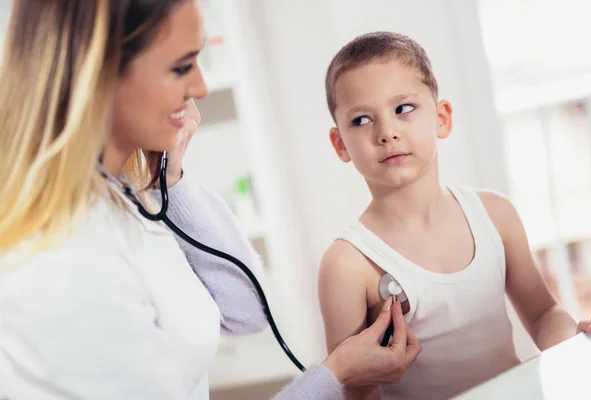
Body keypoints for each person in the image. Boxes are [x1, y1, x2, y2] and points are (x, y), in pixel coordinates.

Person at [0, 2, 420, 400]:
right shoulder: (61, 260)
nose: (199, 86)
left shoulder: (121, 198)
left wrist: (172, 177)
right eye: (182, 66)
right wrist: (336, 375)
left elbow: (244, 312)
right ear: (98, 73)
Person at [318, 31, 591, 400]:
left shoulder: (495, 214)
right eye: (361, 120)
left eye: (403, 109)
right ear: (340, 144)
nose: (387, 132)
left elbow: (544, 314)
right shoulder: (347, 265)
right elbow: (354, 390)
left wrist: (575, 345)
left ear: (442, 118)